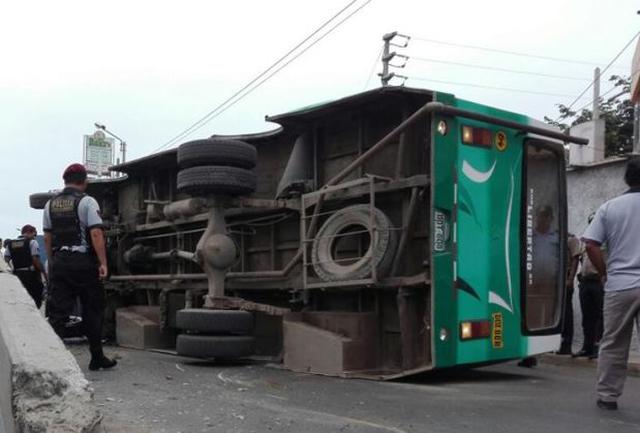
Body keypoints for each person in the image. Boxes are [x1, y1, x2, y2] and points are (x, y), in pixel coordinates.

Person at [44, 163, 117, 371]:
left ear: (65, 181)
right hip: (83, 263)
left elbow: (48, 237)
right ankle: (96, 358)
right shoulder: (87, 201)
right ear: (84, 181)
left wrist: (53, 262)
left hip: (59, 261)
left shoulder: (50, 204)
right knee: (93, 309)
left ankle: (50, 361)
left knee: (58, 313)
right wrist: (103, 262)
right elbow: (95, 233)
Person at [582, 157, 640, 411]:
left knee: (614, 342)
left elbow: (591, 244)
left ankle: (607, 396)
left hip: (620, 284)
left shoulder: (609, 207)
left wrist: (605, 272)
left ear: (626, 178)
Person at [575, 213, 605, 359]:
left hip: (598, 281)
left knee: (600, 316)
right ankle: (587, 346)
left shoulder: (605, 240)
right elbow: (581, 259)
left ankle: (598, 346)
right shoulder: (584, 240)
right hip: (585, 282)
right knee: (587, 317)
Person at [3, 225, 47, 308]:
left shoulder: (10, 244)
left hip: (17, 275)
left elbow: (6, 259)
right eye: (34, 235)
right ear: (29, 232)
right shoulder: (32, 242)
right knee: (36, 297)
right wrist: (43, 272)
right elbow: (35, 259)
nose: (35, 237)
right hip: (31, 275)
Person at [557, 233, 581, 355]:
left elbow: (575, 259)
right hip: (554, 278)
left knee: (566, 312)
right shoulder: (556, 236)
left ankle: (566, 344)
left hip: (565, 277)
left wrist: (570, 279)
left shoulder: (571, 239)